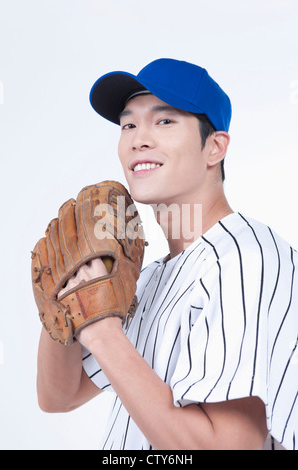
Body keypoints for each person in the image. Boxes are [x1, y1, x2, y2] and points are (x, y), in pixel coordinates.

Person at [36, 58, 298, 450]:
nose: (139, 138)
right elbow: (59, 396)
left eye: (164, 121)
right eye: (128, 124)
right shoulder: (148, 277)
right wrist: (66, 290)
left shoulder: (244, 260)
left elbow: (232, 446)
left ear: (214, 147)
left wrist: (103, 332)